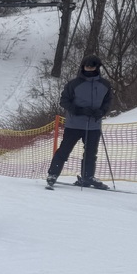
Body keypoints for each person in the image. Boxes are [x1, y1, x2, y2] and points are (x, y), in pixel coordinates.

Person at [46, 55, 114, 189]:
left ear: (97, 67)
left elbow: (108, 101)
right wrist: (79, 110)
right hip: (74, 124)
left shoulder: (105, 84)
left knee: (91, 152)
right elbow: (64, 101)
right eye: (87, 66)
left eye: (92, 66)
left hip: (94, 124)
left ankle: (87, 177)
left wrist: (102, 111)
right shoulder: (74, 84)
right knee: (65, 150)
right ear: (82, 67)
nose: (89, 69)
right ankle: (52, 174)